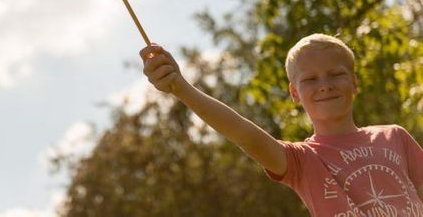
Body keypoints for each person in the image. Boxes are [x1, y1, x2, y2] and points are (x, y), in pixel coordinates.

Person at [139, 33, 423, 217]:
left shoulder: (394, 137)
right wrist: (182, 88)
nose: (324, 85)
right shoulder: (301, 161)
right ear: (295, 93)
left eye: (335, 74)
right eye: (310, 79)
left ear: (354, 83)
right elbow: (244, 134)